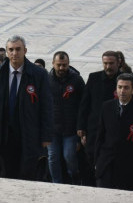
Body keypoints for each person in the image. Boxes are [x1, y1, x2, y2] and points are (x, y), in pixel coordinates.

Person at [0, 35, 52, 180]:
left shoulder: (39, 74)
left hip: (28, 133)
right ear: (6, 52)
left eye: (18, 49)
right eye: (11, 50)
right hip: (3, 133)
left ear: (25, 50)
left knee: (27, 174)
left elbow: (46, 106)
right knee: (3, 173)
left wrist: (46, 135)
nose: (14, 53)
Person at [93, 73, 133, 191]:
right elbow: (100, 136)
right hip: (106, 164)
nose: (122, 91)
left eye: (126, 88)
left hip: (129, 166)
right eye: (120, 87)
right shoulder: (107, 107)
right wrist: (97, 161)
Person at [78, 51, 121, 184]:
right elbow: (84, 104)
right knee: (90, 160)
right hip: (94, 129)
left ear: (118, 63)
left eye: (111, 63)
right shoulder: (94, 78)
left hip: (115, 130)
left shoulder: (123, 80)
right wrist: (80, 127)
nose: (108, 66)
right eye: (105, 63)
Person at [47, 51, 85, 184]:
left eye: (65, 65)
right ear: (53, 64)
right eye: (59, 65)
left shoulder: (77, 80)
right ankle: (56, 182)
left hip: (70, 128)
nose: (62, 68)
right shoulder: (46, 80)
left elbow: (83, 104)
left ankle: (73, 177)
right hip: (52, 129)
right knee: (53, 157)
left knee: (69, 156)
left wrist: (81, 126)